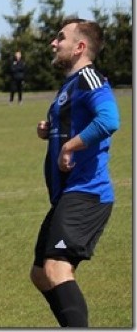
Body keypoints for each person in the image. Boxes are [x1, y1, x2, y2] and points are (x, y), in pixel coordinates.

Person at [31, 19, 119, 327]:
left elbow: (109, 119)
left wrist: (69, 147)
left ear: (80, 47)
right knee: (41, 274)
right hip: (67, 194)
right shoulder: (70, 84)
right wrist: (50, 130)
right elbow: (75, 122)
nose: (53, 44)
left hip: (87, 192)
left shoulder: (90, 78)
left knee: (56, 268)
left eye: (60, 38)